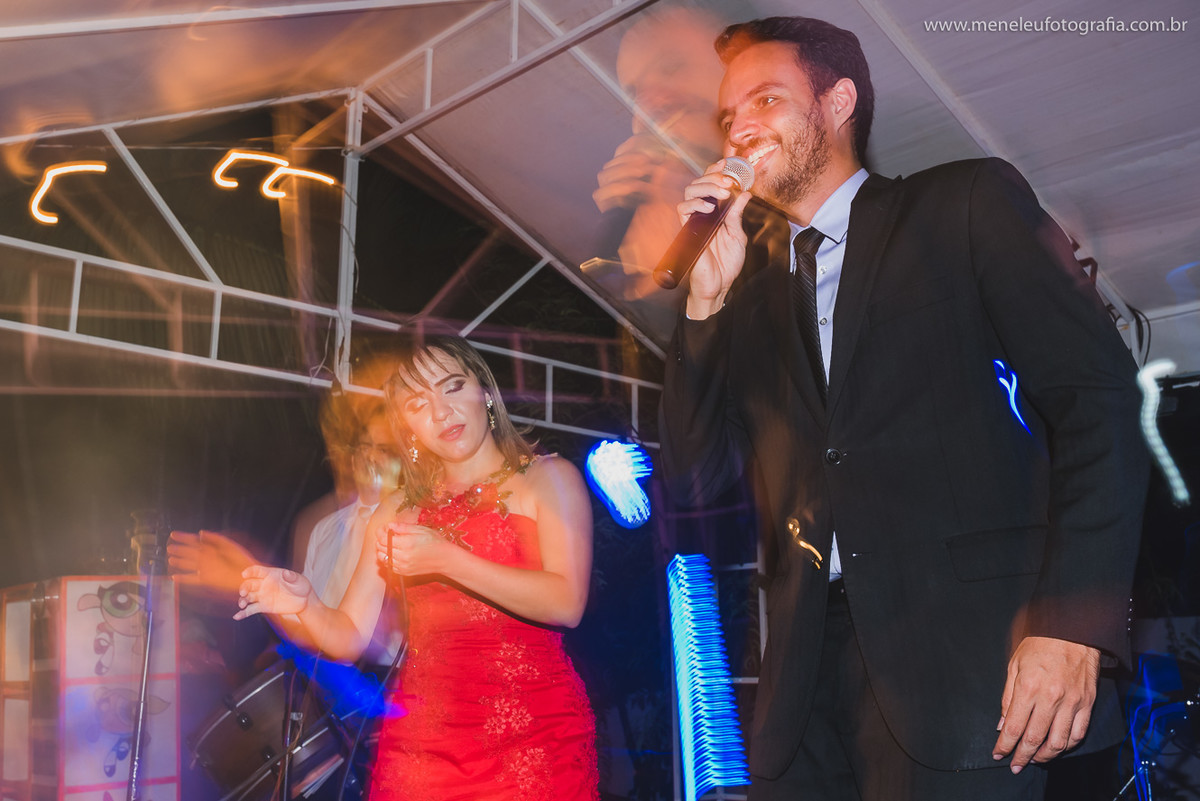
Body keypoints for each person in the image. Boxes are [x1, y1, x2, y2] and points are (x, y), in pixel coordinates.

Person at [659, 16, 1149, 801]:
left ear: (838, 100)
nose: (739, 126)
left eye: (765, 99)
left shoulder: (960, 205)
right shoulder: (746, 294)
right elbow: (691, 486)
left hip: (966, 663)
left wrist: (1072, 621)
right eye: (728, 116)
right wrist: (702, 313)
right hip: (803, 690)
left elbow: (1097, 400)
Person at [234, 334, 599, 801]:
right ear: (407, 426)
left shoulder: (548, 478)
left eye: (452, 387)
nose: (441, 412)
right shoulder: (396, 511)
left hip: (534, 735)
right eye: (417, 403)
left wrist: (448, 559)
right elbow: (346, 638)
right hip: (424, 747)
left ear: (484, 391)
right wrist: (303, 604)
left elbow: (565, 603)